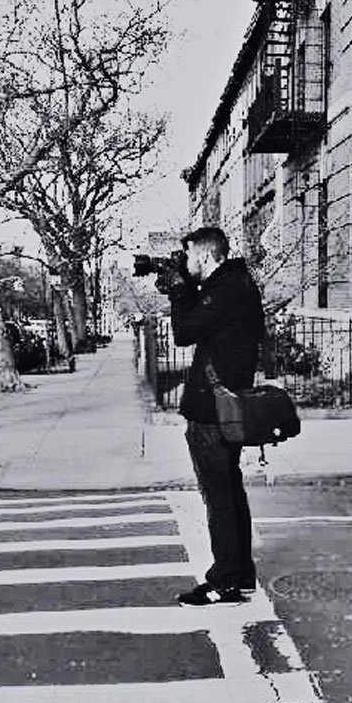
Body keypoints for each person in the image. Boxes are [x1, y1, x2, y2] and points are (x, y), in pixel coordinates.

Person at [155, 227, 265, 606]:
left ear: (204, 256)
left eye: (188, 258)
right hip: (225, 407)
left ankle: (226, 581)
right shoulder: (236, 285)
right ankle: (241, 574)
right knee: (229, 493)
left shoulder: (225, 290)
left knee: (219, 498)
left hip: (212, 413)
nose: (184, 265)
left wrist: (179, 291)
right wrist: (185, 287)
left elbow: (184, 333)